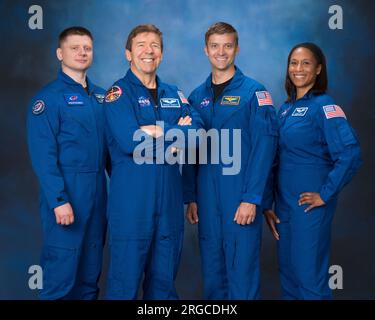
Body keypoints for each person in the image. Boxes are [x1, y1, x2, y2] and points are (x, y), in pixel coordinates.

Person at [103, 24, 203, 300]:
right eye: (141, 45)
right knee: (124, 286)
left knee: (163, 287)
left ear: (162, 53)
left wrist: (158, 130)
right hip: (133, 204)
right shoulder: (117, 94)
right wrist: (176, 132)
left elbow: (198, 134)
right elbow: (131, 142)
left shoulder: (174, 93)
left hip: (169, 205)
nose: (149, 51)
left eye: (155, 46)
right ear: (128, 53)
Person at [182, 22, 278, 299]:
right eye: (215, 46)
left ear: (237, 48)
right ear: (205, 50)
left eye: (227, 45)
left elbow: (265, 149)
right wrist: (191, 196)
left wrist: (252, 198)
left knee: (242, 273)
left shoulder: (254, 93)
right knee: (213, 272)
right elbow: (190, 150)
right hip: (207, 198)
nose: (221, 52)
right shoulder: (196, 97)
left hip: (239, 195)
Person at [263, 42, 362, 299]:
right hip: (284, 207)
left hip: (310, 208)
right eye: (293, 63)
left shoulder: (324, 106)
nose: (298, 69)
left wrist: (325, 194)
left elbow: (350, 153)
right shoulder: (285, 110)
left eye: (306, 63)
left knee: (309, 280)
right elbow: (276, 160)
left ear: (318, 69)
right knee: (288, 276)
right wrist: (267, 203)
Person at [26, 26, 108, 300]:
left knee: (90, 275)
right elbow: (43, 157)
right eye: (75, 48)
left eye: (87, 48)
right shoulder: (47, 100)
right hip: (67, 194)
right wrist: (58, 200)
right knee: (61, 275)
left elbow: (113, 150)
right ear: (60, 53)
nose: (82, 53)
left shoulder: (102, 98)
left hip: (98, 195)